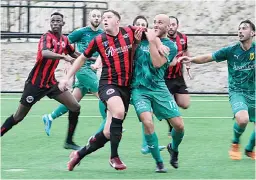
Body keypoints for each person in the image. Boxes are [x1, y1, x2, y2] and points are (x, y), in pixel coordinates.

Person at [58, 10, 146, 171]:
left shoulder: (129, 31)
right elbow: (81, 58)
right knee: (118, 112)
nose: (104, 20)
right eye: (103, 18)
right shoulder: (99, 40)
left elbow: (152, 35)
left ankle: (79, 155)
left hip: (126, 87)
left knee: (107, 132)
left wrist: (159, 44)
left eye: (108, 17)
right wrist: (67, 77)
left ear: (118, 21)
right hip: (108, 85)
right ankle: (114, 157)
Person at [1, 12, 82, 149]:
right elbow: (45, 53)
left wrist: (90, 59)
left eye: (58, 21)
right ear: (50, 23)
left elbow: (74, 53)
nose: (55, 23)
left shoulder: (64, 40)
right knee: (18, 116)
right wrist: (63, 57)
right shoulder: (46, 37)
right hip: (35, 84)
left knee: (75, 107)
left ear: (63, 23)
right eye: (53, 21)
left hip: (50, 83)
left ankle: (69, 141)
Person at [179, 20, 255, 160]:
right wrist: (191, 59)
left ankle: (249, 149)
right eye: (239, 28)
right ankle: (235, 143)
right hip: (237, 91)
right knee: (243, 119)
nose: (240, 31)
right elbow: (209, 57)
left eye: (244, 28)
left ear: (253, 33)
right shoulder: (231, 50)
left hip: (254, 91)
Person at [42, 10, 107, 150]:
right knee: (104, 96)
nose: (96, 18)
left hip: (92, 70)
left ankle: (50, 117)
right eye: (93, 16)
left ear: (101, 19)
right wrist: (67, 62)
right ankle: (108, 125)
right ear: (89, 18)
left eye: (98, 16)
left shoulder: (103, 34)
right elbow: (64, 43)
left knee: (74, 101)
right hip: (83, 70)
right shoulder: (81, 32)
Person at [131, 14, 185, 172]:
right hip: (139, 88)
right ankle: (159, 163)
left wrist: (154, 40)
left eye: (160, 23)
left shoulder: (171, 46)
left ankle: (173, 148)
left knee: (179, 126)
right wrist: (136, 42)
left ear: (168, 28)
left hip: (159, 88)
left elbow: (156, 63)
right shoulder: (143, 38)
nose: (156, 24)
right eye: (154, 22)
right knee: (147, 122)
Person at [132, 15, 166, 155]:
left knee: (147, 114)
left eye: (143, 24)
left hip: (141, 87)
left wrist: (161, 46)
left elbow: (159, 47)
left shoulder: (150, 41)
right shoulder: (130, 41)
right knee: (111, 119)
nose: (140, 26)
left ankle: (147, 145)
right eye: (138, 24)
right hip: (124, 85)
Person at [165, 16, 191, 136]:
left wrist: (188, 63)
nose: (171, 27)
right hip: (165, 78)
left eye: (173, 24)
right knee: (169, 105)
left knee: (185, 104)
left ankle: (172, 107)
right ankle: (172, 126)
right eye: (169, 24)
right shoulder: (163, 40)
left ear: (177, 26)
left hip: (178, 77)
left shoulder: (183, 38)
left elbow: (185, 51)